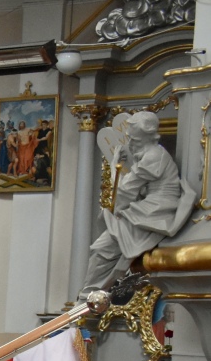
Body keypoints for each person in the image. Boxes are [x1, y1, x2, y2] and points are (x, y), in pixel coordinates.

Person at [80, 111, 190, 294]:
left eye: (135, 140)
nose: (130, 144)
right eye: (129, 138)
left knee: (103, 248)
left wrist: (115, 167)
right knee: (103, 248)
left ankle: (88, 296)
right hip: (150, 207)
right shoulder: (150, 154)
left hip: (156, 212)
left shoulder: (153, 156)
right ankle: (89, 294)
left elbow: (125, 190)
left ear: (148, 138)